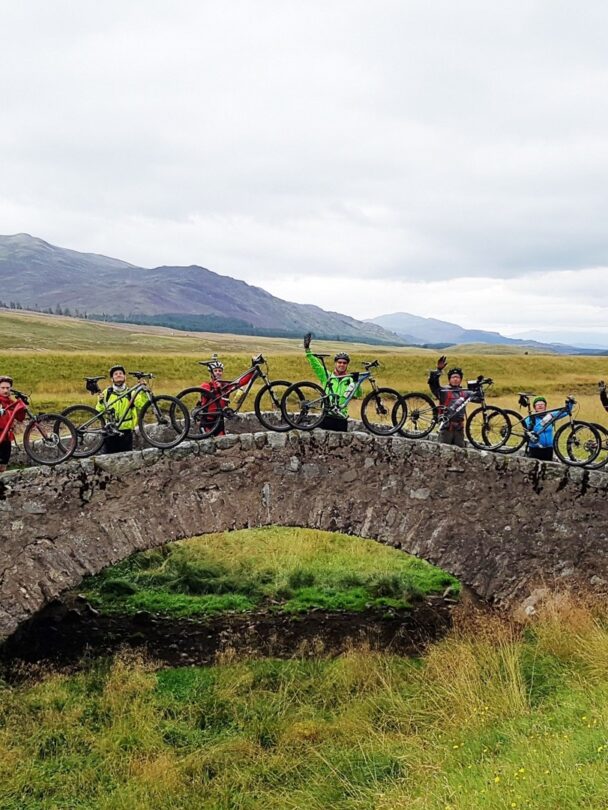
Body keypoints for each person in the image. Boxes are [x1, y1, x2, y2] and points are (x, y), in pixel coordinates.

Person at [303, 332, 361, 431]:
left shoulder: (351, 379)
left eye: (344, 363)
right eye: (339, 362)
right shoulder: (327, 376)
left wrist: (356, 382)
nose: (341, 365)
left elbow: (358, 394)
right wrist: (307, 350)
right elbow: (316, 365)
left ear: (347, 365)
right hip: (326, 416)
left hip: (341, 418)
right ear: (335, 363)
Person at [198, 357, 257, 436]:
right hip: (207, 420)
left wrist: (252, 369)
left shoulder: (225, 386)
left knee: (222, 443)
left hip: (219, 420)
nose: (218, 372)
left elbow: (241, 382)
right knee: (207, 443)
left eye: (220, 370)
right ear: (211, 373)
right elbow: (207, 392)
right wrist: (216, 386)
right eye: (215, 371)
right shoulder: (206, 385)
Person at [95, 365, 146, 454]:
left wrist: (143, 391)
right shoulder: (107, 392)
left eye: (121, 373)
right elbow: (99, 411)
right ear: (112, 379)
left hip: (126, 432)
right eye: (115, 374)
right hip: (110, 431)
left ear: (125, 377)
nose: (118, 375)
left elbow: (143, 406)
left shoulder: (132, 392)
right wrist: (100, 402)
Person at [427, 356, 470, 447]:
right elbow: (432, 384)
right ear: (449, 379)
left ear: (461, 379)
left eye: (458, 377)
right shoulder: (443, 391)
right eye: (453, 377)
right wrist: (438, 370)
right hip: (446, 429)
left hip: (459, 430)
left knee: (460, 455)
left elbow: (477, 397)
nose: (455, 379)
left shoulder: (465, 393)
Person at [524, 395, 574, 462]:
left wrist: (570, 403)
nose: (540, 406)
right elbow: (525, 432)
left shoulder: (550, 416)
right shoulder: (530, 419)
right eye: (538, 404)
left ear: (545, 406)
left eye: (542, 404)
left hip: (549, 449)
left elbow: (566, 411)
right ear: (534, 407)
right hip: (534, 449)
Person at [0, 375, 25, 472]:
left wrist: (22, 408)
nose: (5, 390)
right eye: (2, 388)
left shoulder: (11, 403)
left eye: (7, 388)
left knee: (3, 466)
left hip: (7, 438)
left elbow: (20, 418)